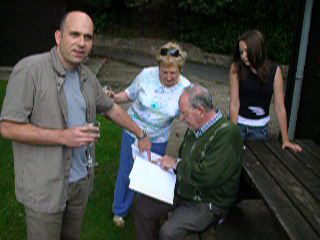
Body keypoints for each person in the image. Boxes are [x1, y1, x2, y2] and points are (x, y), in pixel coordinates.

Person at [0, 11, 151, 240]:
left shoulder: (87, 77)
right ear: (59, 37)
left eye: (88, 37)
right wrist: (63, 137)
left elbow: (110, 107)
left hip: (80, 183)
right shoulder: (30, 70)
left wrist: (141, 133)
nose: (82, 43)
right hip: (45, 187)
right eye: (75, 35)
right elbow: (8, 127)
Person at [133, 84, 244, 240]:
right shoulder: (197, 127)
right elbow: (184, 158)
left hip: (208, 202)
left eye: (185, 113)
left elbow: (207, 176)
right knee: (142, 206)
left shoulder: (227, 134)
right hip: (185, 189)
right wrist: (165, 166)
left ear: (200, 111)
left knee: (168, 233)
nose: (181, 118)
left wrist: (176, 164)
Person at [108, 42, 191, 227]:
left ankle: (146, 212)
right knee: (127, 172)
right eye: (164, 72)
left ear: (180, 69)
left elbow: (188, 114)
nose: (169, 77)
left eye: (173, 73)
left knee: (151, 175)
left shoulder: (185, 89)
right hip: (133, 130)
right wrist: (115, 98)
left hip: (159, 138)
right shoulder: (146, 75)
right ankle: (120, 211)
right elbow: (129, 94)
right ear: (158, 67)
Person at [229, 29, 302, 152]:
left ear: (257, 49)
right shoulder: (236, 68)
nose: (243, 56)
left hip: (260, 130)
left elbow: (280, 108)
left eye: (247, 51)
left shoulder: (275, 71)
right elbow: (234, 104)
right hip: (238, 127)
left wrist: (286, 140)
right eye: (241, 52)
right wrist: (232, 137)